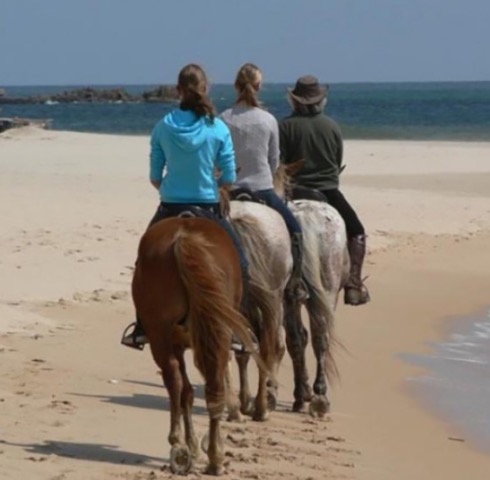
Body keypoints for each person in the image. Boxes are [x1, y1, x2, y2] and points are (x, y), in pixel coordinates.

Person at [121, 63, 249, 350]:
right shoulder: (217, 127)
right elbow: (228, 177)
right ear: (206, 89)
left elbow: (155, 176)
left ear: (178, 90)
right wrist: (213, 182)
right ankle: (239, 328)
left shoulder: (163, 126)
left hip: (169, 207)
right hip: (208, 207)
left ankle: (142, 326)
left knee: (144, 265)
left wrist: (171, 184)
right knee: (241, 263)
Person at [279, 75, 370, 306]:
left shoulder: (285, 126)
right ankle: (353, 284)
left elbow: (280, 164)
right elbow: (337, 161)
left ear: (294, 100)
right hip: (328, 193)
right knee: (357, 231)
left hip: (294, 192)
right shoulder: (332, 126)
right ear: (320, 100)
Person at [219, 63, 308, 302]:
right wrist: (263, 177)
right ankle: (296, 283)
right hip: (263, 189)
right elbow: (273, 160)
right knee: (296, 230)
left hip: (231, 191)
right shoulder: (268, 120)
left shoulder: (223, 119)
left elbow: (217, 158)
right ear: (258, 86)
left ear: (236, 86)